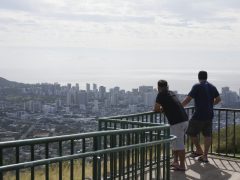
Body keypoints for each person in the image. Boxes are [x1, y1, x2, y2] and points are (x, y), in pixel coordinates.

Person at [182, 71, 221, 163]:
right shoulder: (212, 86)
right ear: (206, 77)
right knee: (208, 135)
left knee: (191, 132)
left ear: (198, 77)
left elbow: (188, 99)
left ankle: (199, 150)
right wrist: (210, 104)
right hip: (209, 115)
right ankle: (205, 156)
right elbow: (218, 99)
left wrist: (179, 106)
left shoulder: (197, 86)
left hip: (199, 115)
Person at [154, 80, 188, 171]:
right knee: (176, 143)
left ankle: (182, 166)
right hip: (184, 120)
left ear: (158, 88)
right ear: (167, 86)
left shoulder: (161, 94)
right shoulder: (171, 92)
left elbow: (156, 109)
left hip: (177, 123)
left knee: (179, 145)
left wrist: (162, 109)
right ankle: (175, 161)